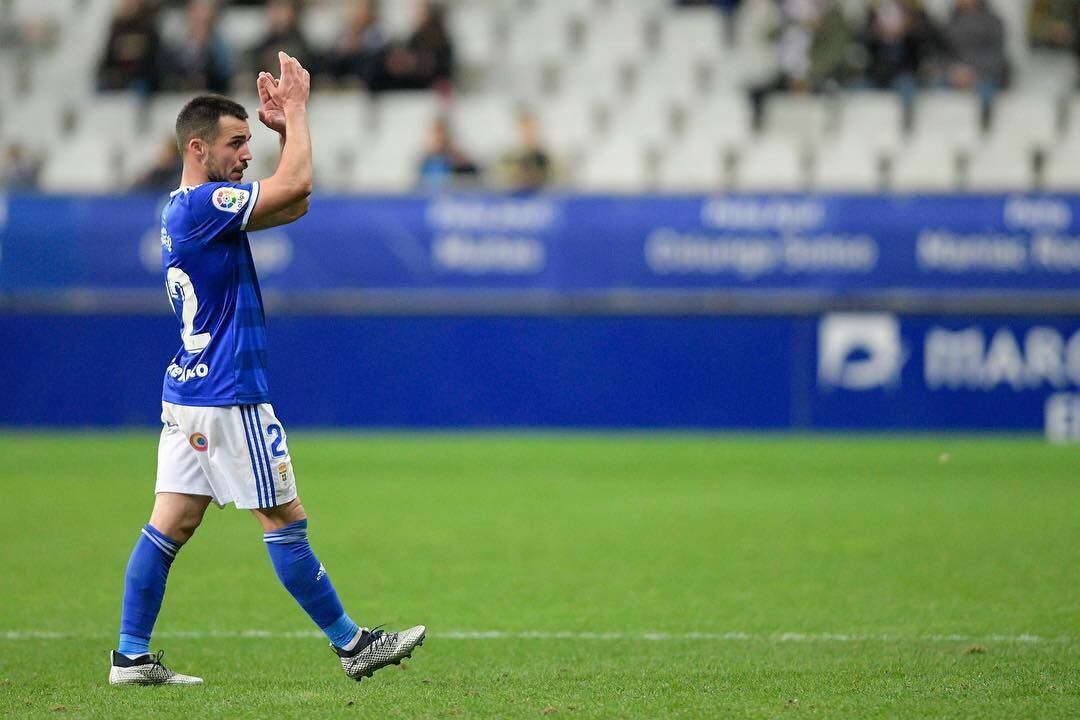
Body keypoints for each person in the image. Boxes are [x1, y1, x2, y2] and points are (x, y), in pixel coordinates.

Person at [108, 52, 425, 686]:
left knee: (171, 520)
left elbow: (290, 206)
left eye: (250, 142)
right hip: (229, 394)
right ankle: (351, 643)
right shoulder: (203, 204)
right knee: (284, 517)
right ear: (197, 149)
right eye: (236, 143)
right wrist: (300, 111)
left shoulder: (185, 209)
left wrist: (286, 136)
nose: (245, 153)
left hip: (190, 392)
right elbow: (298, 187)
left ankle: (130, 656)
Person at [162, 0, 235, 94]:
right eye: (197, 16)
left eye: (205, 16)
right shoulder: (176, 47)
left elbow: (224, 75)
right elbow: (169, 74)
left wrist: (205, 49)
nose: (201, 18)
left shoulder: (222, 48)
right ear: (189, 15)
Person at [96, 0, 162, 93]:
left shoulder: (148, 28)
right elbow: (108, 58)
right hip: (118, 78)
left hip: (140, 80)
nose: (129, 4)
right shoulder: (116, 29)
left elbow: (152, 60)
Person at [417, 115, 479, 190]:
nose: (437, 138)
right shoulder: (426, 161)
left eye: (441, 133)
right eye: (435, 134)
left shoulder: (459, 160)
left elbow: (471, 180)